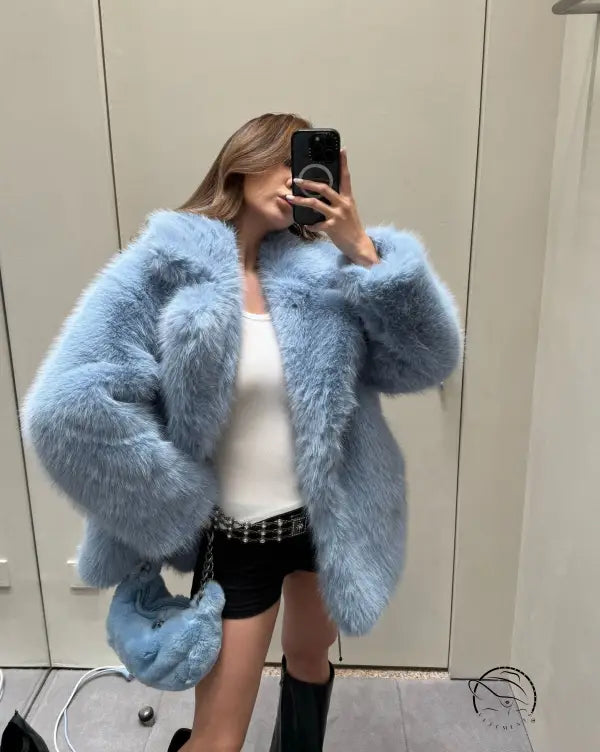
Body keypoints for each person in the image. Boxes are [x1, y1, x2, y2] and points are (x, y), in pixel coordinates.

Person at [21, 112, 463, 752]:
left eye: (305, 164)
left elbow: (429, 360)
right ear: (242, 160)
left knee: (309, 659)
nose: (294, 179)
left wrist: (364, 252)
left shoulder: (325, 271)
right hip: (238, 538)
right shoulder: (164, 267)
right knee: (218, 739)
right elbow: (65, 408)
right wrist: (177, 501)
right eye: (282, 160)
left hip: (328, 523)